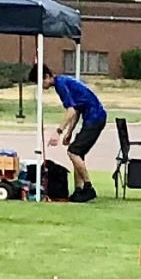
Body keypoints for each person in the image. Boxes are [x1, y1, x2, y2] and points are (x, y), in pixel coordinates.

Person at [30, 63, 105, 202]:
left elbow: (70, 111)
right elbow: (75, 110)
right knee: (78, 153)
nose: (41, 87)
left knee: (73, 152)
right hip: (92, 117)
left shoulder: (61, 85)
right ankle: (79, 190)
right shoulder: (63, 81)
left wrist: (58, 132)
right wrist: (69, 132)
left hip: (95, 118)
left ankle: (88, 187)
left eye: (40, 82)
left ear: (46, 76)